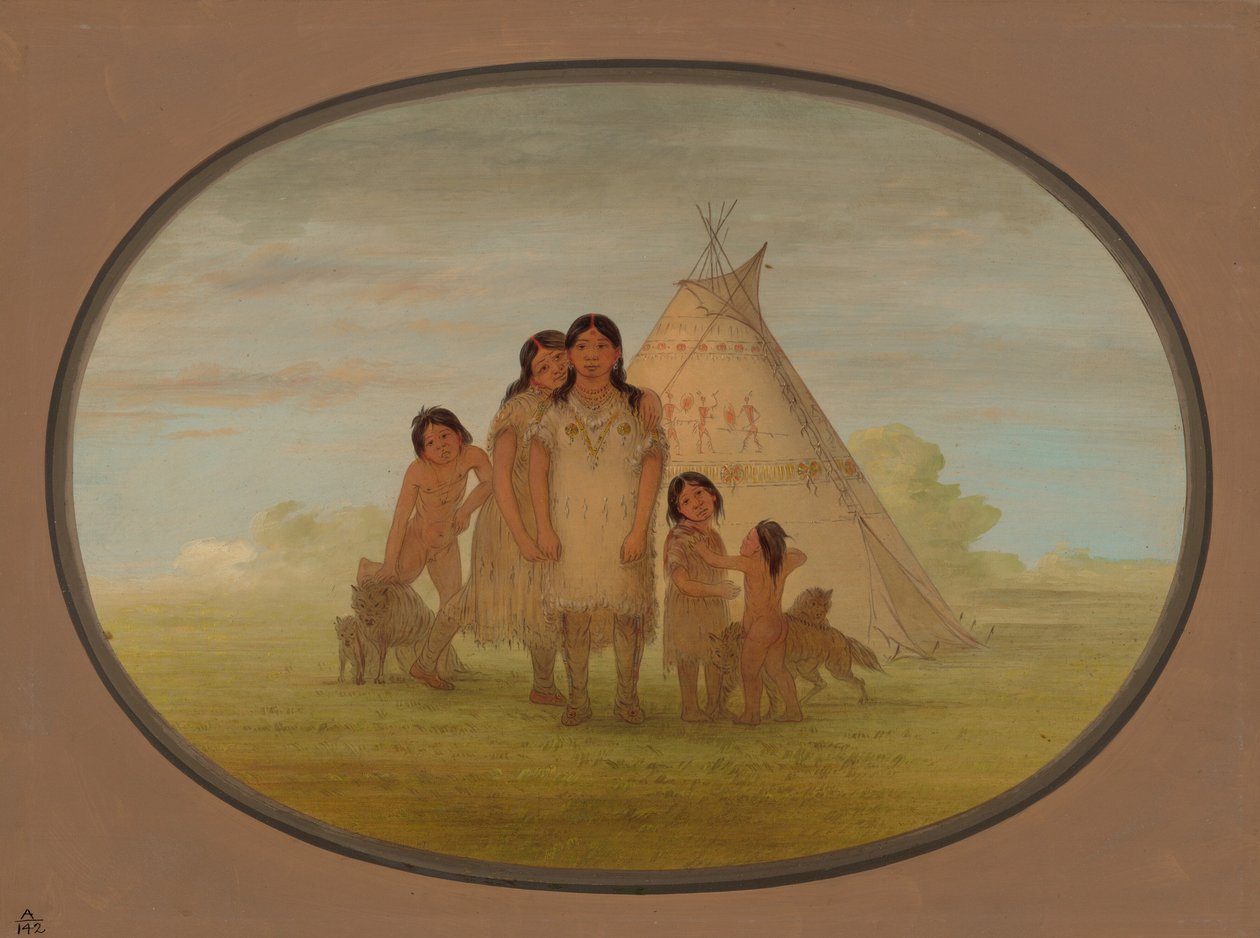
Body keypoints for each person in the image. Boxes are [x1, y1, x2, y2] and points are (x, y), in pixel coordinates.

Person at [529, 313, 665, 726]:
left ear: (617, 353)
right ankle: (578, 701)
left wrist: (639, 530)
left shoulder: (636, 405)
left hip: (623, 529)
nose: (592, 356)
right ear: (569, 354)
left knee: (628, 616)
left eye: (601, 346)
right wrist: (544, 528)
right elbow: (537, 468)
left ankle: (627, 699)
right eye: (583, 347)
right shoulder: (552, 409)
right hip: (570, 531)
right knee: (574, 618)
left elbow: (652, 464)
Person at [356, 406, 491, 688]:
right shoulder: (417, 471)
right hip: (418, 539)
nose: (440, 446)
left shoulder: (472, 456)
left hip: (446, 544)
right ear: (422, 451)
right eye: (430, 442)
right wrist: (389, 562)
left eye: (445, 436)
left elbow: (490, 483)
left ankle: (428, 665)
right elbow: (400, 520)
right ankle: (368, 567)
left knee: (453, 606)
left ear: (459, 434)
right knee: (398, 576)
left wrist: (466, 510)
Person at [693, 520, 805, 724]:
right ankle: (794, 711)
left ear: (759, 549)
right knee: (777, 670)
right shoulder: (781, 562)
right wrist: (778, 552)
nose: (743, 541)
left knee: (749, 672)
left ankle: (752, 715)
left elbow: (715, 560)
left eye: (749, 540)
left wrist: (700, 547)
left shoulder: (749, 563)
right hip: (778, 625)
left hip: (763, 626)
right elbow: (801, 556)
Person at [662, 472, 740, 721]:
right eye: (686, 501)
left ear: (712, 494)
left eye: (699, 493)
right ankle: (691, 709)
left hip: (713, 607)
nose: (696, 503)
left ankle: (715, 706)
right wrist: (717, 590)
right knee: (690, 656)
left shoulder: (713, 537)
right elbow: (682, 583)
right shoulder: (679, 538)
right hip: (687, 608)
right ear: (679, 510)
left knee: (715, 656)